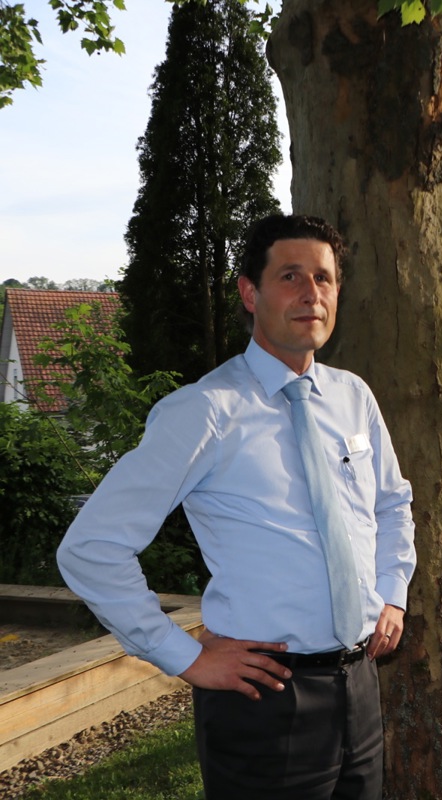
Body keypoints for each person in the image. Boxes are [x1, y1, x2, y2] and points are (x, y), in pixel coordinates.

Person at [57, 214, 416, 799]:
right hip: (265, 704)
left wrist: (393, 591)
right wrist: (185, 656)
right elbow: (91, 548)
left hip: (361, 687)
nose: (311, 294)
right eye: (290, 276)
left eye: (323, 279)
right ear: (250, 293)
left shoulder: (354, 397)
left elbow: (392, 503)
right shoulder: (204, 411)